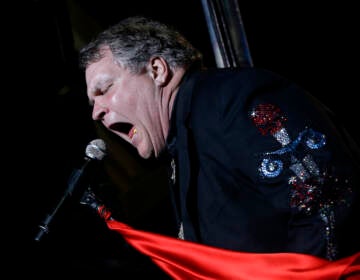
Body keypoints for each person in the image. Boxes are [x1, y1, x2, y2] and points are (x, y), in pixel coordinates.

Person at [79, 15, 360, 264]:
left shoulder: (234, 97)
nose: (96, 112)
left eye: (103, 89)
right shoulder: (181, 144)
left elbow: (327, 203)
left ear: (157, 70)